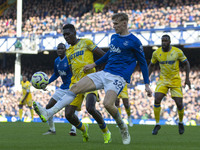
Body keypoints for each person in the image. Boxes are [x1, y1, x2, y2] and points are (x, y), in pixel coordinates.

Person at [33, 13, 152, 145]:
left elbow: (142, 63)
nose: (114, 27)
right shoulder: (113, 38)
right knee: (75, 88)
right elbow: (108, 55)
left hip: (118, 77)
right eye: (113, 24)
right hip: (105, 72)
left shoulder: (134, 41)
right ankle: (49, 113)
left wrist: (147, 83)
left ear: (124, 23)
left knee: (107, 104)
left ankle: (123, 127)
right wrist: (94, 64)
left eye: (116, 24)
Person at [34, 24, 111, 143]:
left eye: (68, 34)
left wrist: (97, 67)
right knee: (69, 115)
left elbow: (104, 55)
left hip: (91, 80)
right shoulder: (68, 52)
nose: (66, 36)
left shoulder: (86, 42)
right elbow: (71, 70)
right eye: (64, 35)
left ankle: (106, 131)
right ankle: (84, 129)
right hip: (76, 84)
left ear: (74, 32)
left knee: (90, 108)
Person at [148, 34, 191, 135]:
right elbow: (151, 65)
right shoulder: (156, 53)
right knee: (157, 98)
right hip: (163, 80)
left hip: (175, 81)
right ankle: (157, 124)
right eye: (162, 41)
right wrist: (146, 79)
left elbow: (186, 63)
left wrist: (187, 78)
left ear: (170, 42)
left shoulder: (177, 52)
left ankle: (180, 122)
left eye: (166, 41)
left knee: (179, 103)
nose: (164, 43)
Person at [41, 43, 77, 136]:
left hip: (71, 88)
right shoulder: (56, 61)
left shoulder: (69, 59)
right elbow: (56, 74)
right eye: (58, 48)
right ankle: (52, 129)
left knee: (69, 112)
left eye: (62, 48)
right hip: (63, 87)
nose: (60, 50)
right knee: (49, 106)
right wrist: (47, 82)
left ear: (65, 50)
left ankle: (74, 129)